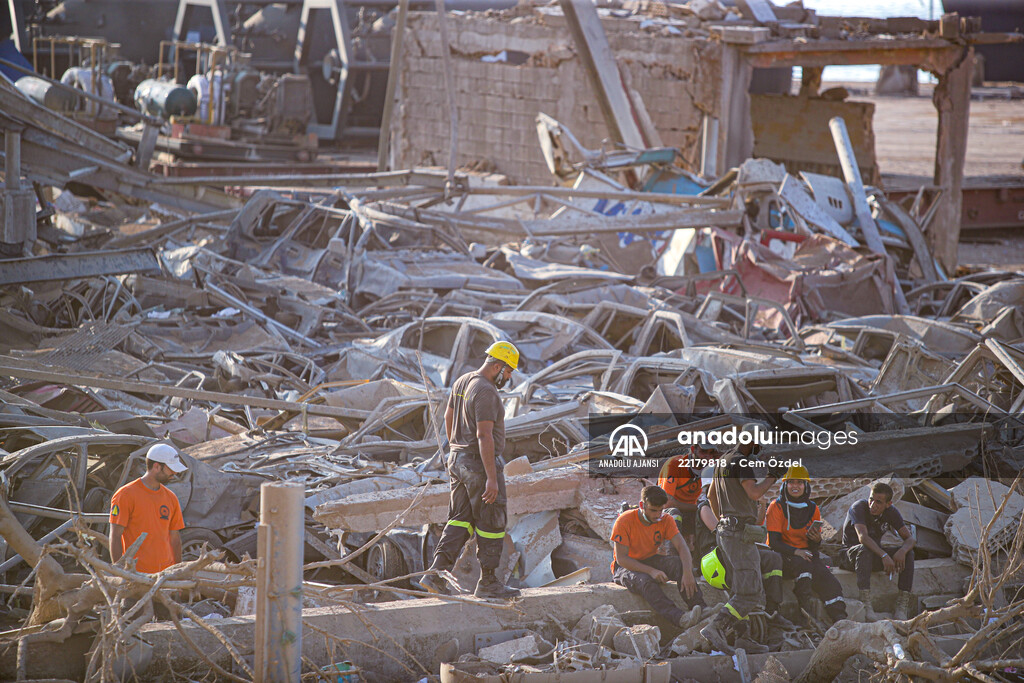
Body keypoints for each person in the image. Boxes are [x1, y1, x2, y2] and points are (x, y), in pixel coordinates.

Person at [420, 341, 521, 599]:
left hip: (457, 460)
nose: (508, 378)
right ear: (497, 366)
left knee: (459, 520)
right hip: (478, 464)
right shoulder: (486, 391)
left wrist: (456, 444)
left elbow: (447, 417)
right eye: (508, 372)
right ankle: (488, 583)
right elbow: (484, 436)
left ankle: (436, 574)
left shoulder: (463, 381)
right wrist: (491, 479)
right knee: (491, 523)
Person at [700, 423, 788, 653]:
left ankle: (743, 638)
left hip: (728, 532)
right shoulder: (742, 462)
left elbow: (711, 495)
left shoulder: (723, 461)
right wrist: (773, 476)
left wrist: (724, 519)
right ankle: (715, 628)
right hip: (739, 535)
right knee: (750, 593)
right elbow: (755, 493)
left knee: (742, 588)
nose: (760, 448)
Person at [610, 485, 704, 626]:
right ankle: (680, 618)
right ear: (642, 505)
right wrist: (651, 571)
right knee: (646, 581)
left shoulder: (665, 519)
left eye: (661, 510)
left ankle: (702, 608)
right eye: (653, 510)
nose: (657, 515)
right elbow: (622, 558)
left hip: (650, 559)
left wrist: (688, 572)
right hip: (624, 567)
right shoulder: (624, 521)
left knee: (678, 564)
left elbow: (682, 547)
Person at [765, 466, 847, 624]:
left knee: (828, 579)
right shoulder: (777, 506)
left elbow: (813, 547)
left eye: (800, 483)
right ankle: (805, 616)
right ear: (785, 485)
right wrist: (796, 552)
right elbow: (774, 543)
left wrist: (816, 540)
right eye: (791, 483)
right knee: (804, 568)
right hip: (783, 557)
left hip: (806, 555)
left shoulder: (812, 508)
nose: (795, 486)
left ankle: (840, 619)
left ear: (806, 486)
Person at [840, 482, 916, 620]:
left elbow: (910, 539)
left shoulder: (891, 512)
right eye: (871, 499)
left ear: (888, 504)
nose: (872, 505)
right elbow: (863, 537)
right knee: (865, 549)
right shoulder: (858, 507)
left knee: (909, 554)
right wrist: (884, 554)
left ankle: (901, 606)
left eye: (878, 502)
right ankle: (866, 604)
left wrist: (902, 551)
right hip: (850, 556)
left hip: (874, 555)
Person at [109, 443, 187, 574]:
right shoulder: (125, 495)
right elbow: (115, 536)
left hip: (164, 576)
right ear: (156, 466)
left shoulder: (171, 498)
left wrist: (178, 573)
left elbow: (175, 539)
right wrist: (119, 572)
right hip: (135, 574)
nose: (174, 474)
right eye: (171, 469)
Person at [659, 447, 709, 554]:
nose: (707, 456)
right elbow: (667, 503)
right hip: (666, 511)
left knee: (707, 514)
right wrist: (698, 507)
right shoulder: (674, 465)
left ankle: (700, 559)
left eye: (711, 452)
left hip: (691, 510)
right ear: (693, 450)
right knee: (674, 514)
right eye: (703, 451)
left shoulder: (710, 467)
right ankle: (673, 558)